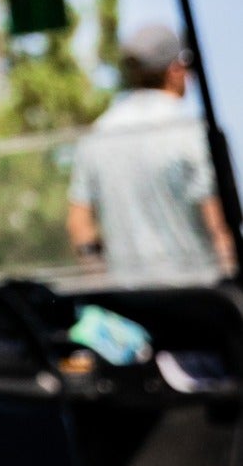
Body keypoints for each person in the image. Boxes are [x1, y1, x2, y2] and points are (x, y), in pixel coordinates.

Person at [67, 21, 236, 286]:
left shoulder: (97, 134)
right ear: (175, 69)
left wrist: (103, 286)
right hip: (198, 300)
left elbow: (79, 225)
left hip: (132, 305)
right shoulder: (193, 133)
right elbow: (219, 227)